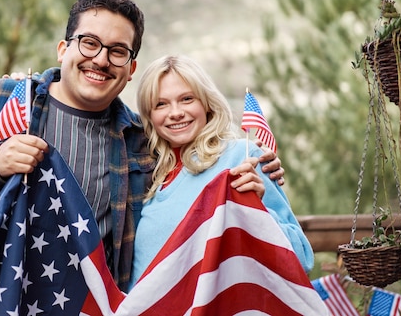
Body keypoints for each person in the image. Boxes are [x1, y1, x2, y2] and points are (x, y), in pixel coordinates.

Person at [0, 0, 285, 292]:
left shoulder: (138, 141)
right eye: (89, 43)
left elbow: (191, 186)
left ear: (130, 68)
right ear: (64, 48)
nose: (101, 59)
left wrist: (256, 180)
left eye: (117, 51)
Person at [128, 55, 313, 290]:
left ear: (206, 102)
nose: (175, 112)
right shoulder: (145, 171)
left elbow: (301, 258)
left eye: (186, 99)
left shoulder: (240, 157)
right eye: (161, 104)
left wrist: (259, 211)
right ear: (149, 115)